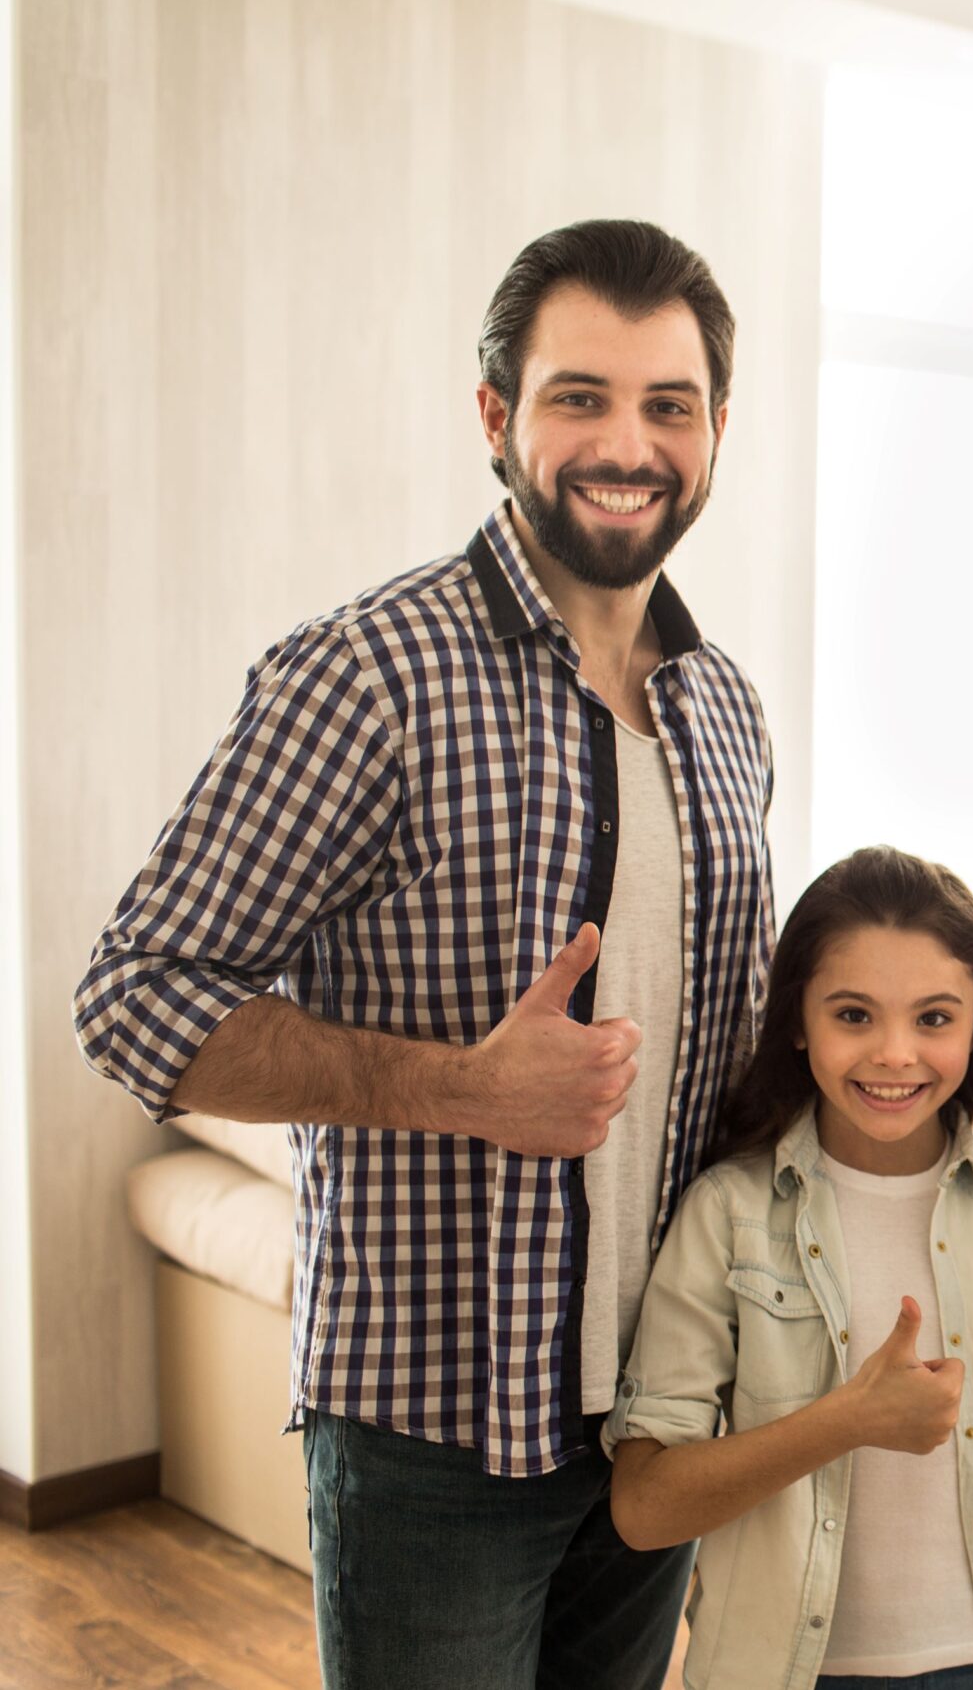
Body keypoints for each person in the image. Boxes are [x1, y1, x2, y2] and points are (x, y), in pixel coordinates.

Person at [72, 219, 775, 1690]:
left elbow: (733, 1063)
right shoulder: (370, 674)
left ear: (718, 429)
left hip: (663, 1422)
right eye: (580, 395)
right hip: (436, 1434)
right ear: (497, 416)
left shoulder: (727, 711)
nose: (626, 442)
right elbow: (134, 992)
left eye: (669, 404)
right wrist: (464, 1087)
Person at [608, 846, 973, 1690]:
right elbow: (644, 1506)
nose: (894, 1053)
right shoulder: (726, 1216)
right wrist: (846, 1419)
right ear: (799, 1019)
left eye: (934, 1018)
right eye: (853, 1015)